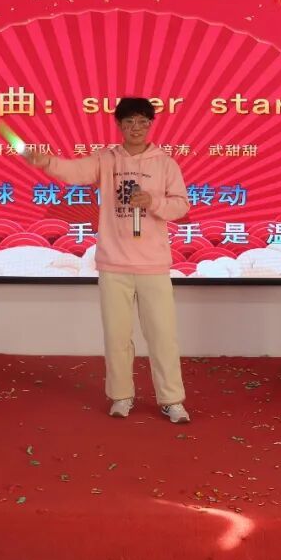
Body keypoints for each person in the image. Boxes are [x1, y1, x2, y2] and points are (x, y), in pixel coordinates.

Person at [26, 97, 192, 423]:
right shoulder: (107, 159)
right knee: (117, 337)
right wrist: (47, 162)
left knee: (162, 336)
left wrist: (153, 201)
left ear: (150, 124)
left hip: (153, 265)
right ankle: (121, 396)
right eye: (129, 122)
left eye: (142, 122)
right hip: (114, 264)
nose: (136, 128)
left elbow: (181, 205)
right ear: (119, 125)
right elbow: (74, 171)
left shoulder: (165, 164)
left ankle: (171, 399)